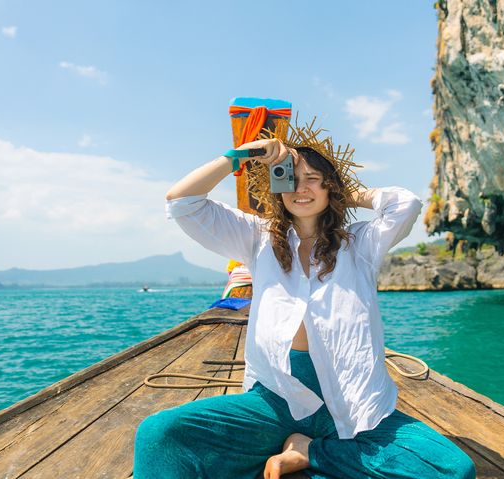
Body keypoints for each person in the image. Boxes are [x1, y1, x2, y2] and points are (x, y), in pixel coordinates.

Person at [134, 120, 476, 479]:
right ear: (276, 185)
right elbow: (183, 200)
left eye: (313, 178)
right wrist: (246, 153)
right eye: (290, 177)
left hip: (351, 402)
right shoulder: (257, 238)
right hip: (277, 400)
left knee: (453, 470)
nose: (301, 187)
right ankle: (309, 450)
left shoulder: (360, 245)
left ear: (330, 187)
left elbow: (405, 204)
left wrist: (345, 190)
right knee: (159, 434)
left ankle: (309, 451)